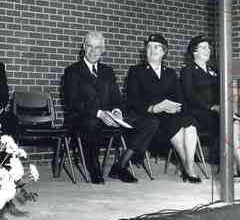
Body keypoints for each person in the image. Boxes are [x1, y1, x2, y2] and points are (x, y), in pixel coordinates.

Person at [63, 31, 159, 184]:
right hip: (83, 118)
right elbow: (73, 102)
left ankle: (121, 165)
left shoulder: (108, 71)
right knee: (92, 123)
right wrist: (100, 114)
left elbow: (116, 98)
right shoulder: (72, 71)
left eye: (98, 48)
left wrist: (117, 111)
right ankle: (94, 168)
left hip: (110, 117)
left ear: (103, 50)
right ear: (83, 47)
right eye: (89, 47)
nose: (93, 51)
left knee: (150, 123)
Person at [126, 34, 202, 183]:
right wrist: (153, 108)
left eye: (156, 47)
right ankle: (189, 169)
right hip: (149, 117)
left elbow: (180, 98)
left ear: (164, 51)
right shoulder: (136, 71)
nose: (152, 50)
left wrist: (175, 107)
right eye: (149, 47)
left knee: (190, 122)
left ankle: (188, 165)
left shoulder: (170, 73)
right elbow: (132, 100)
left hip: (169, 114)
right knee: (174, 124)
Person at [180, 35, 240, 172]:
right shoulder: (187, 70)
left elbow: (223, 91)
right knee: (228, 122)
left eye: (209, 48)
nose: (208, 51)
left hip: (216, 111)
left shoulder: (214, 71)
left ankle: (235, 164)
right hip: (197, 113)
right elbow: (190, 95)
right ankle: (232, 166)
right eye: (203, 48)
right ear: (194, 51)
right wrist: (212, 107)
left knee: (235, 122)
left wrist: (226, 106)